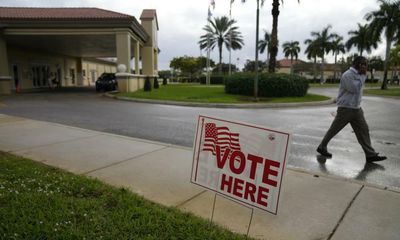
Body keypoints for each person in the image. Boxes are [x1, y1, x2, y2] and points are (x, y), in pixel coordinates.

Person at [316, 56, 387, 163]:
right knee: (334, 129)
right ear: (359, 64)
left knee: (363, 130)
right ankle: (322, 146)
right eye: (365, 64)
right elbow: (354, 89)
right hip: (346, 108)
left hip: (357, 108)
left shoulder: (358, 74)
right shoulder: (348, 75)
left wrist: (362, 75)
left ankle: (370, 154)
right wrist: (363, 76)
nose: (366, 67)